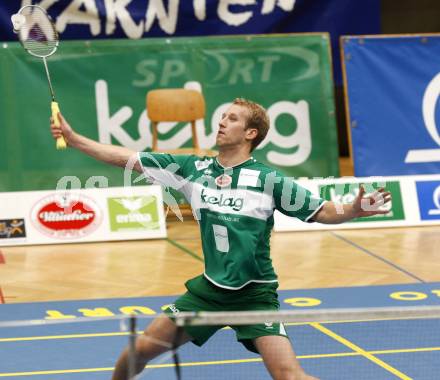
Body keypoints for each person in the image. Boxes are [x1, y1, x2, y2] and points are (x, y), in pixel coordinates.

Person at [50, 98, 391, 380]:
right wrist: (75, 138)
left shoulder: (268, 179)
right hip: (208, 293)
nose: (222, 122)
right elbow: (127, 158)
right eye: (222, 116)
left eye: (232, 118)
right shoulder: (191, 170)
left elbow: (322, 211)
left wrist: (355, 208)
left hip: (254, 296)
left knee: (289, 376)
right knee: (139, 350)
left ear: (250, 133)